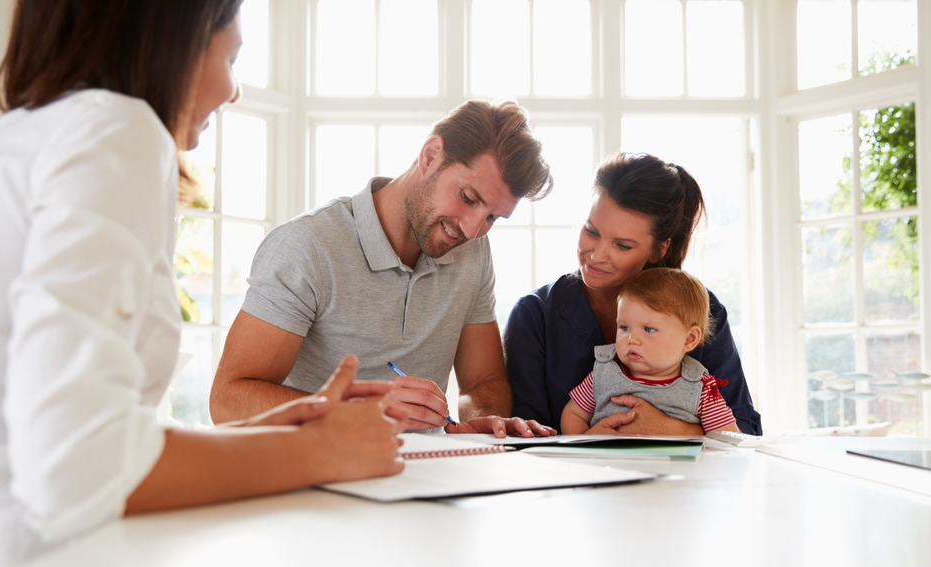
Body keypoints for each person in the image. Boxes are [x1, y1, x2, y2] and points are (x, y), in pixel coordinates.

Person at [0, 2, 406, 567]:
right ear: (174, 38)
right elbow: (78, 468)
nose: (233, 91)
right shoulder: (116, 130)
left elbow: (49, 431)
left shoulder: (7, 143)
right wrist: (317, 452)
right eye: (231, 56)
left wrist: (263, 435)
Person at [210, 99, 558, 438]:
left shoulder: (474, 252)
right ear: (430, 155)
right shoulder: (306, 246)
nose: (471, 230)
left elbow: (483, 382)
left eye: (492, 217)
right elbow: (228, 400)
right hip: (313, 473)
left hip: (422, 475)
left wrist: (481, 421)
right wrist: (357, 409)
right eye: (468, 198)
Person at [504, 152, 763, 435]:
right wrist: (585, 443)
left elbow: (744, 433)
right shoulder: (535, 315)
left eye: (623, 245)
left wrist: (671, 429)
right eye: (591, 231)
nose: (597, 255)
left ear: (659, 249)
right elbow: (525, 437)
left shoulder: (701, 311)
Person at [561, 268, 740, 435]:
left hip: (674, 468)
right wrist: (585, 441)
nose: (632, 339)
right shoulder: (604, 371)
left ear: (689, 339)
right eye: (624, 327)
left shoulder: (700, 388)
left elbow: (728, 438)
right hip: (608, 466)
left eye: (649, 329)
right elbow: (573, 414)